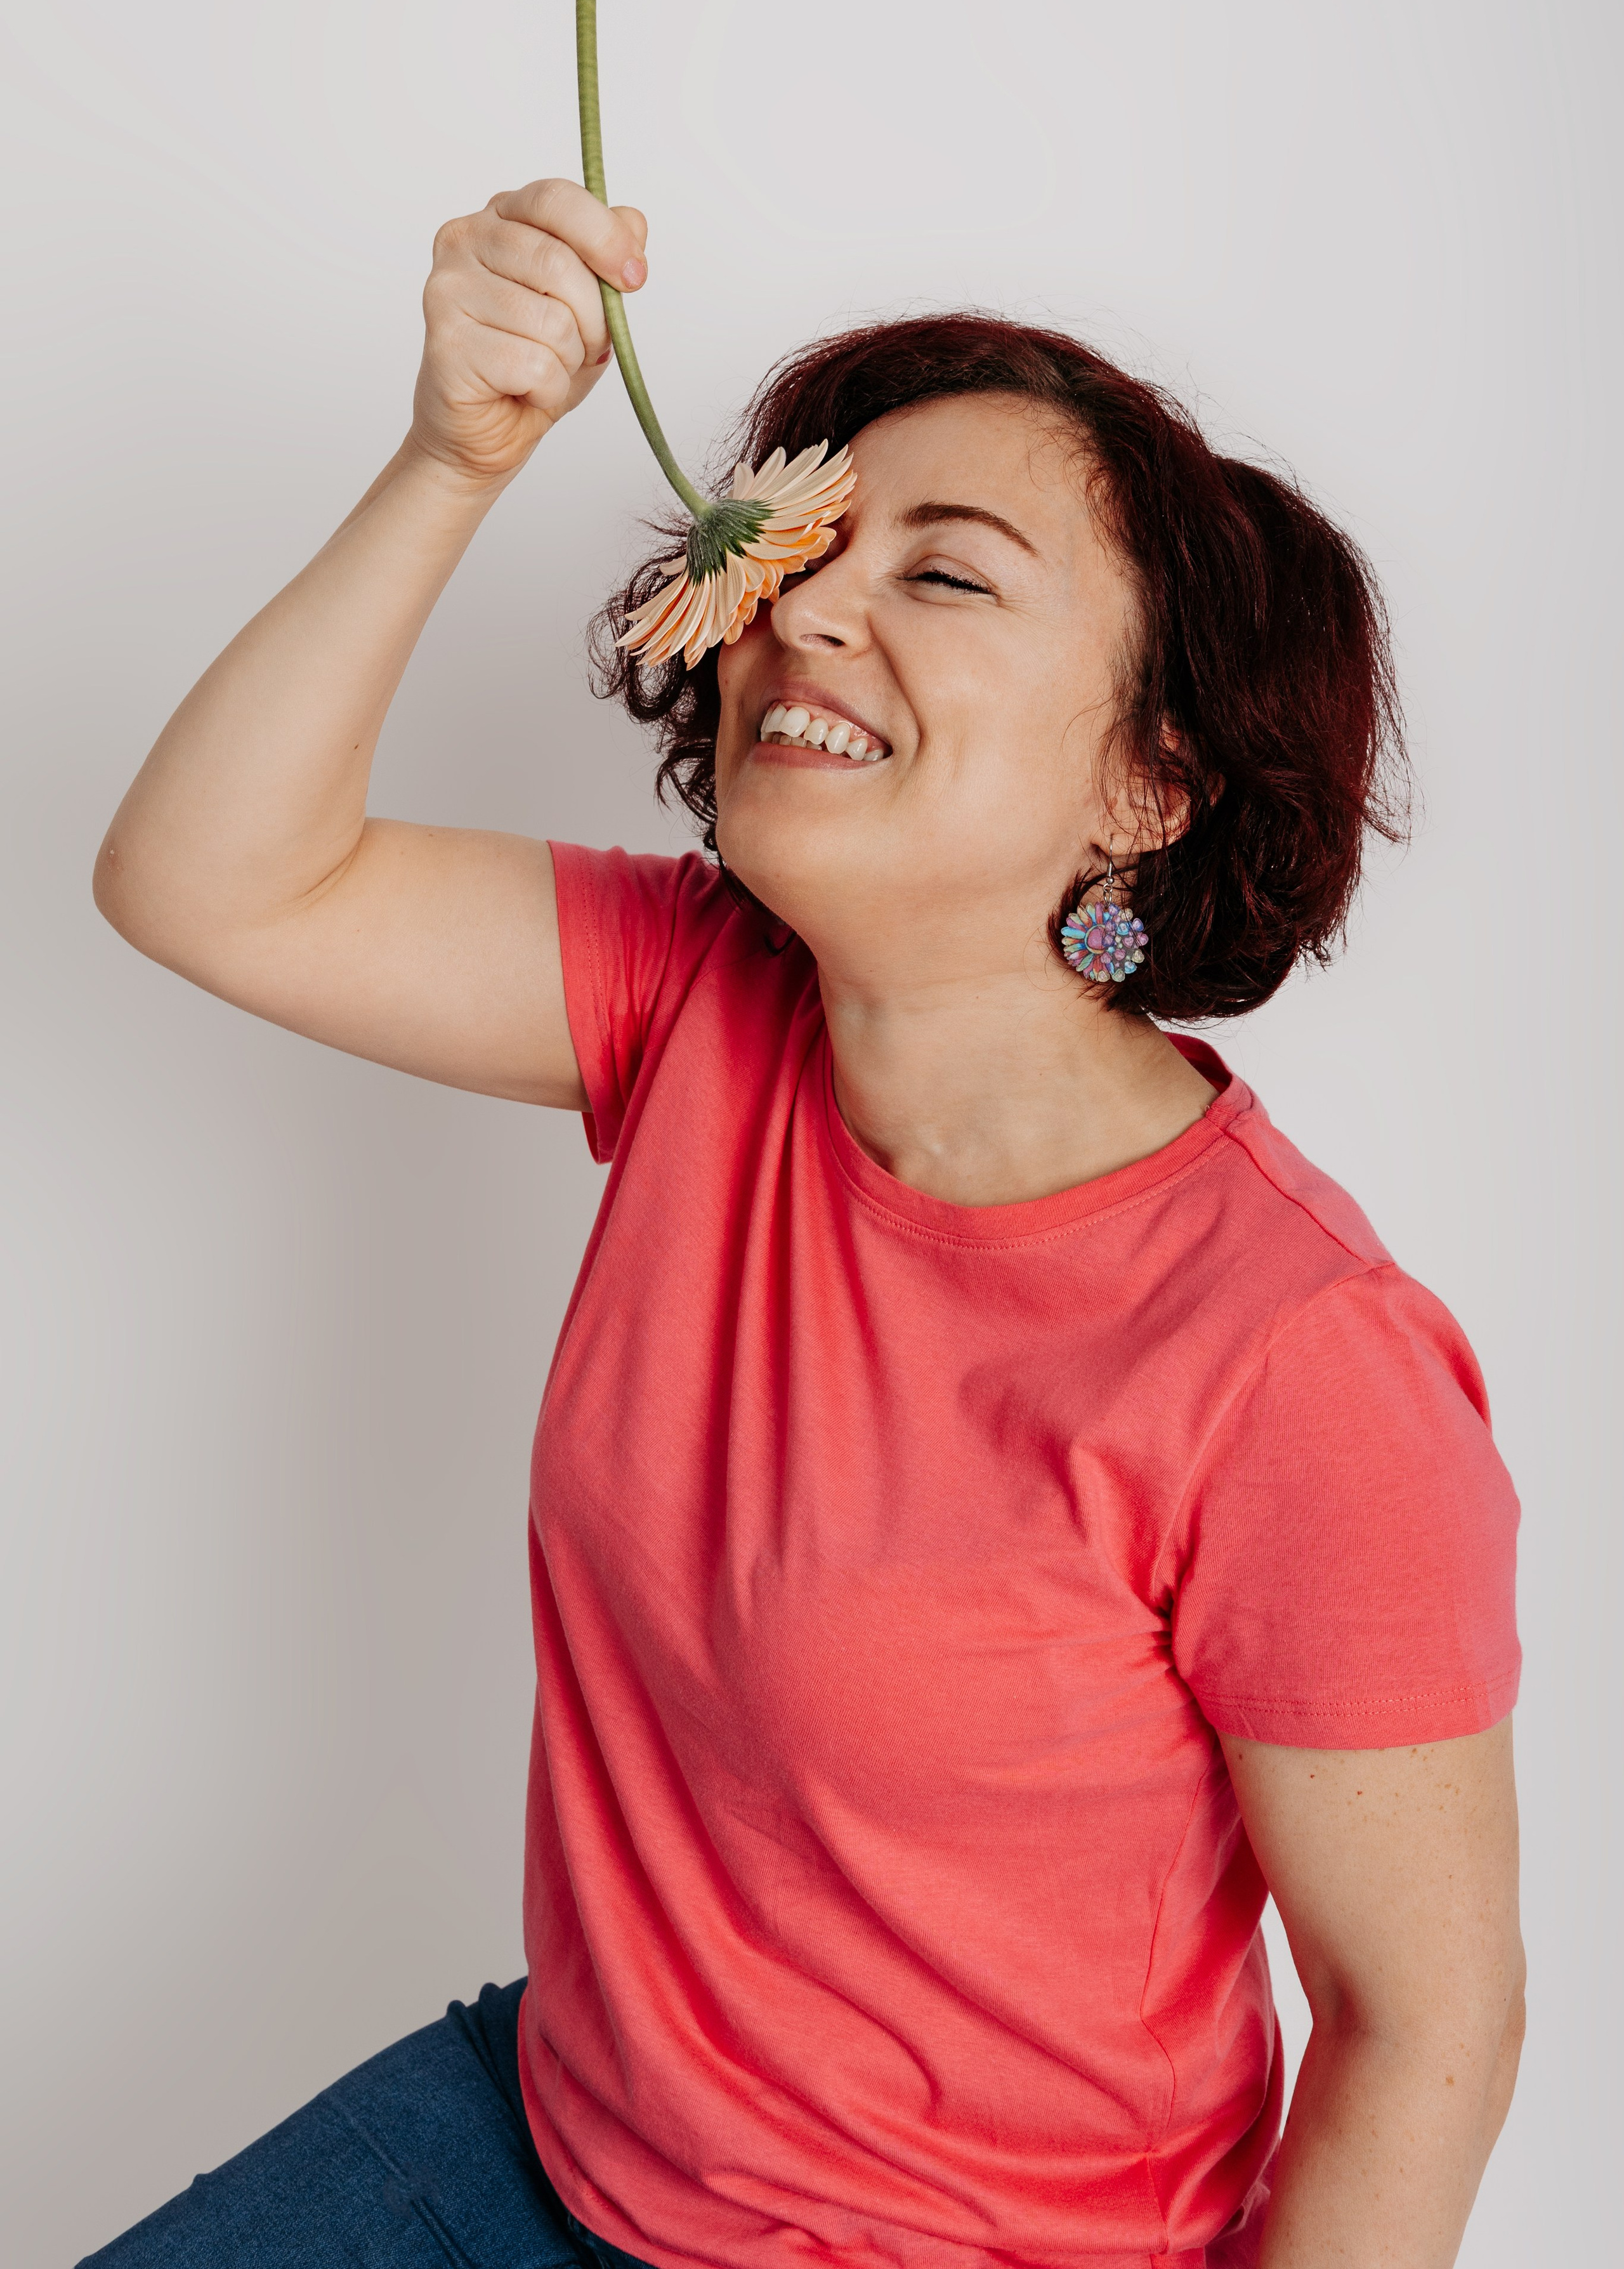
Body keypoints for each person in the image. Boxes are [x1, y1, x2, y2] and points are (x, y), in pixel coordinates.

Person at [87, 177, 1523, 2269]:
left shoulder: (1298, 1359)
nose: (803, 609)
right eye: (798, 550)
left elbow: (1428, 2031)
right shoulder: (700, 1005)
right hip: (548, 2146)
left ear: (1149, 781)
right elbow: (206, 878)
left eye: (944, 573)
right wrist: (451, 460)